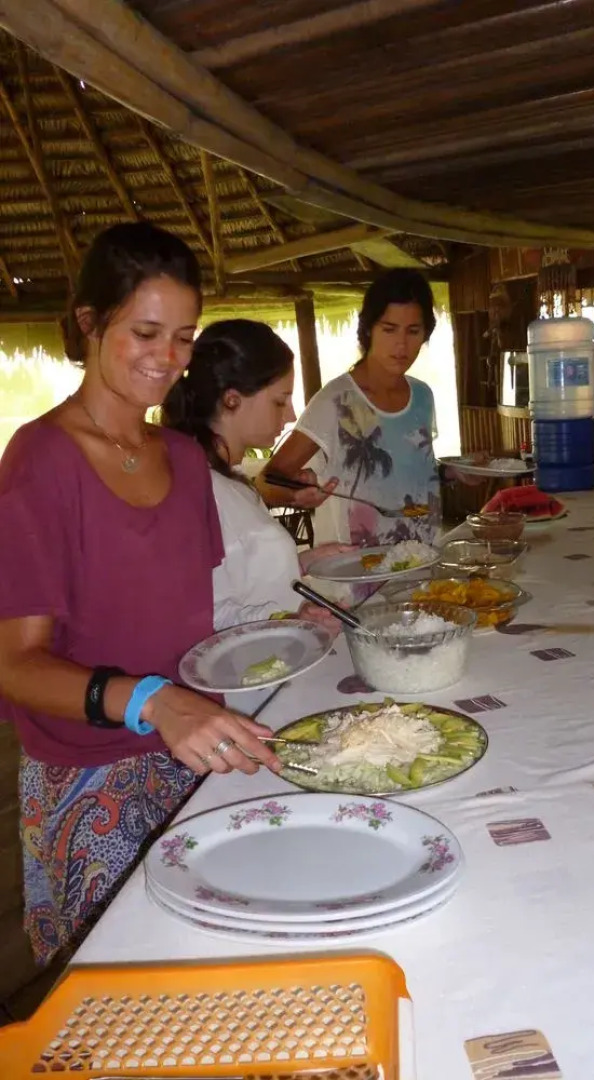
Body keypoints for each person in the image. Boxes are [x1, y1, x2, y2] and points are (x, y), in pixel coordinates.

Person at [0, 223, 279, 967]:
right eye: (146, 332)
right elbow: (17, 664)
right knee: (129, 992)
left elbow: (192, 628)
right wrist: (153, 699)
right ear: (90, 322)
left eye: (184, 337)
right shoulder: (41, 462)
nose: (169, 359)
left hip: (190, 749)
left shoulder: (186, 462)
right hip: (89, 772)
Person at [161, 318, 348, 630]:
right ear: (232, 399)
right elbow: (206, 612)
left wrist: (304, 561)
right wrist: (287, 620)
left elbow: (240, 575)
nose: (289, 416)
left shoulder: (230, 479)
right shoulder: (199, 490)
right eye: (280, 401)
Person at [258, 268, 441, 546]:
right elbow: (266, 482)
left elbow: (408, 468)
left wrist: (452, 472)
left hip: (422, 566)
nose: (401, 344)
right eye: (389, 329)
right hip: (353, 577)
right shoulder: (336, 401)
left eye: (413, 331)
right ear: (368, 329)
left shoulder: (422, 396)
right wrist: (296, 495)